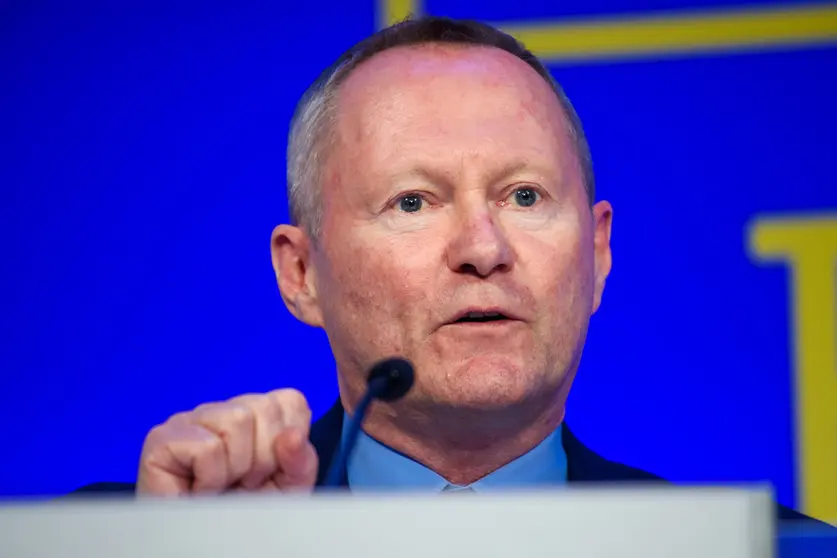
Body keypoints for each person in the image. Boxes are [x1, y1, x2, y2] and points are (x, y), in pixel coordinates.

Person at [73, 15, 820, 523]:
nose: (482, 247)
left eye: (523, 195)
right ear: (300, 271)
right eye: (412, 202)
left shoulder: (759, 550)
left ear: (596, 254)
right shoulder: (125, 534)